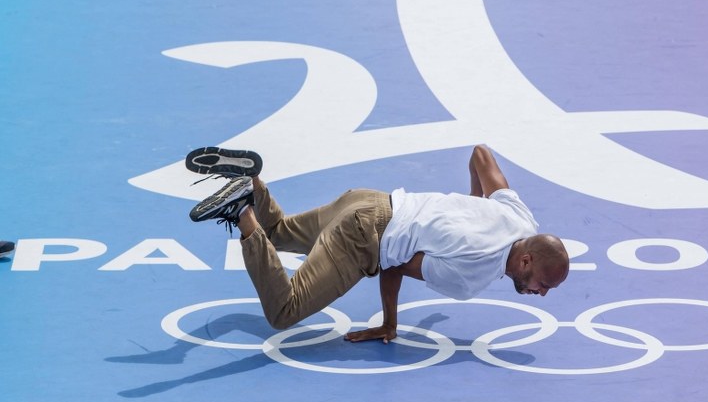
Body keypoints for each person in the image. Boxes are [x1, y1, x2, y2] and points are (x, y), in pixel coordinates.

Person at [186, 145, 569, 344]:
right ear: (526, 261)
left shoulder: (520, 217)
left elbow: (480, 153)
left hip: (368, 199)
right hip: (361, 238)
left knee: (280, 234)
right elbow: (394, 263)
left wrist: (474, 206)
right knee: (283, 312)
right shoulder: (473, 274)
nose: (541, 294)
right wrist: (389, 323)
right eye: (542, 284)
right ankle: (242, 211)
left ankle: (252, 182)